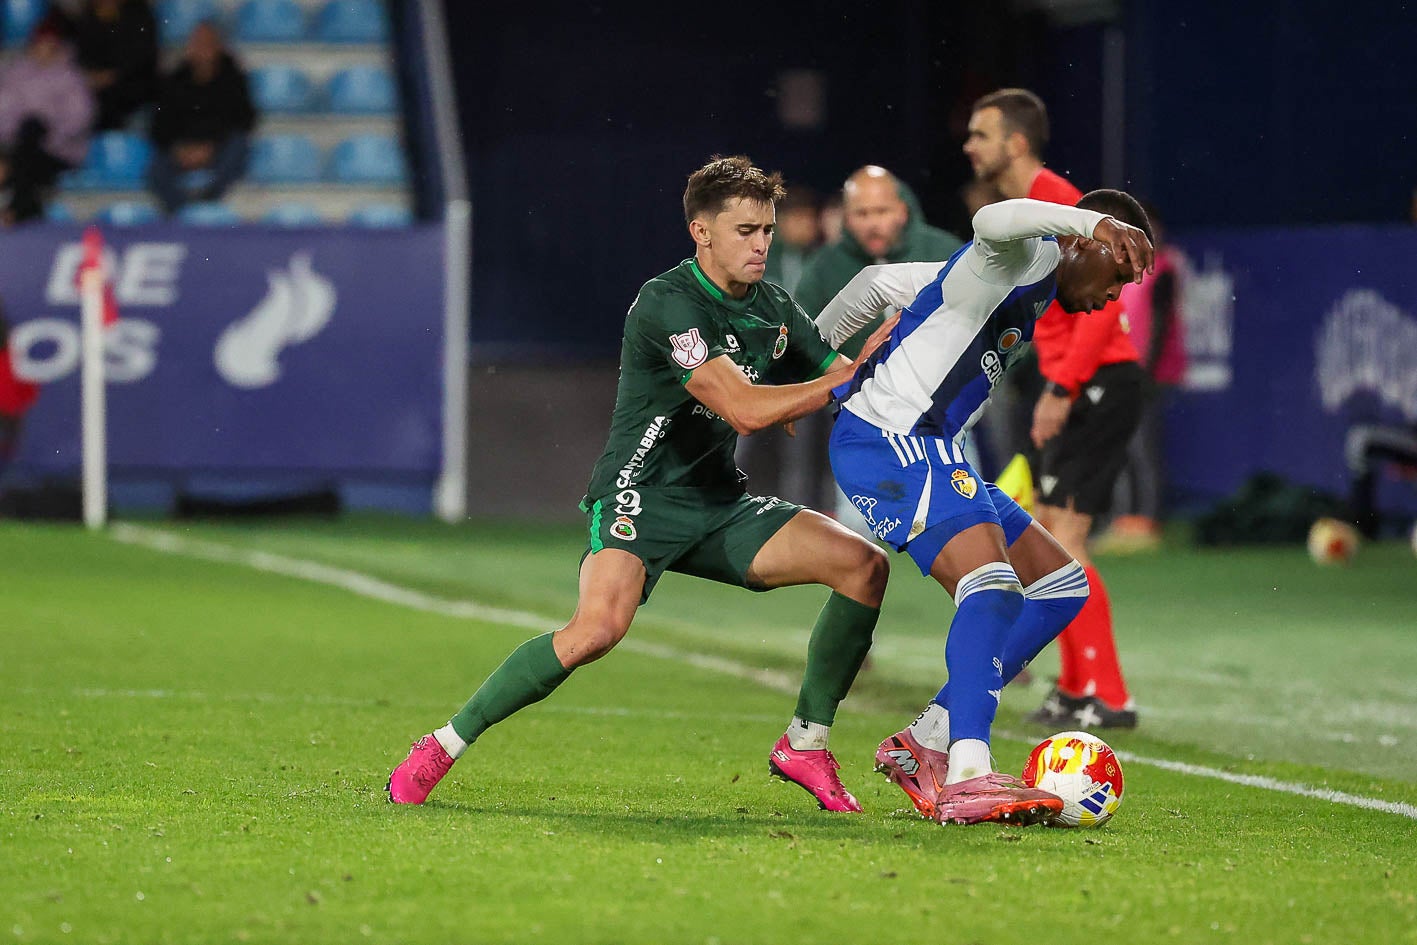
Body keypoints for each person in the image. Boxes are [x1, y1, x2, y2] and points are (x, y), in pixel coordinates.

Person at [387, 156, 896, 813]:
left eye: (766, 230)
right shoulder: (668, 304)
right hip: (638, 495)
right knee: (594, 630)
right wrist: (832, 381)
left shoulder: (774, 309)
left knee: (862, 566)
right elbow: (747, 405)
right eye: (744, 230)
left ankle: (805, 741)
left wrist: (876, 372)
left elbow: (846, 384)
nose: (761, 244)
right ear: (700, 231)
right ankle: (442, 742)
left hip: (719, 502)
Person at [817, 191, 1154, 824]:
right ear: (1087, 243)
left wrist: (813, 363)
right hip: (889, 441)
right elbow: (991, 218)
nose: (1115, 297)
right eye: (1118, 274)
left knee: (1059, 585)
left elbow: (880, 283)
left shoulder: (1023, 287)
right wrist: (808, 375)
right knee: (993, 586)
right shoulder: (1018, 256)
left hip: (932, 450)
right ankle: (969, 770)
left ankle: (927, 740)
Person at [965, 87, 1145, 730]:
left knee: (1065, 544)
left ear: (1014, 142)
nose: (969, 146)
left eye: (980, 134)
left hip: (1099, 382)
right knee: (1045, 543)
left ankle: (1112, 695)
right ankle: (1074, 687)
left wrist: (1062, 387)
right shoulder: (1023, 204)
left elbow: (1110, 305)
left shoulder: (1062, 201)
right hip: (1078, 382)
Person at [794, 166, 966, 524]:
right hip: (862, 412)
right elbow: (804, 340)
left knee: (961, 514)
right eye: (862, 213)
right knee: (859, 528)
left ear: (902, 210)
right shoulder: (824, 266)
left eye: (882, 211)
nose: (873, 223)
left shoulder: (943, 250)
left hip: (942, 410)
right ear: (845, 217)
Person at [1101, 204, 1187, 550]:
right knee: (1120, 447)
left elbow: (1160, 326)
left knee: (1143, 449)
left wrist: (1145, 375)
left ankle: (1149, 519)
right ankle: (1124, 519)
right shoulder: (1124, 272)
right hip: (1121, 370)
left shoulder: (1163, 270)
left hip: (1147, 374)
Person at [147, 21, 255, 214]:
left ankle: (207, 203)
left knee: (238, 147)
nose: (202, 48)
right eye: (197, 42)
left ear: (218, 46)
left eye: (207, 42)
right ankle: (181, 213)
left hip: (218, 148)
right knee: (156, 167)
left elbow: (244, 119)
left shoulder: (233, 79)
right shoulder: (175, 80)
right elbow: (159, 125)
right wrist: (179, 149)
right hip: (182, 149)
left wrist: (210, 147)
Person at [0, 16, 95, 225]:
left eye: (49, 45)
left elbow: (80, 117)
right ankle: (22, 210)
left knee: (27, 152)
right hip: (19, 145)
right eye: (40, 44)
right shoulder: (14, 73)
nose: (44, 49)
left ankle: (18, 211)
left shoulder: (71, 77)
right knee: (28, 141)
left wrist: (49, 132)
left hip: (58, 150)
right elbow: (3, 111)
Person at [73, 0, 159, 131]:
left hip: (135, 96)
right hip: (94, 97)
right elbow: (80, 58)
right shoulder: (85, 19)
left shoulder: (140, 15)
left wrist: (112, 75)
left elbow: (144, 58)